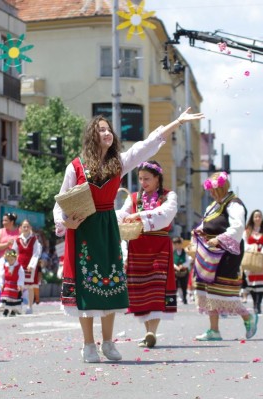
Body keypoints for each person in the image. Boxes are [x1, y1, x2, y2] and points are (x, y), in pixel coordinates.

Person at [53, 108, 204, 362]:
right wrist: (65, 222)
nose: (107, 132)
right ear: (92, 135)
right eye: (101, 129)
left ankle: (108, 343)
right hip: (82, 231)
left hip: (107, 227)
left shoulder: (119, 163)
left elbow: (147, 146)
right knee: (84, 287)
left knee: (110, 284)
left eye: (109, 129)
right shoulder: (76, 166)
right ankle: (88, 344)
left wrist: (177, 122)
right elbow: (60, 202)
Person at [117, 160, 178, 348]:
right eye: (141, 179)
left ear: (157, 178)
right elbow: (121, 214)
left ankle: (152, 331)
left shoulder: (169, 196)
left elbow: (166, 213)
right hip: (138, 245)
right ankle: (147, 332)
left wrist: (139, 216)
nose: (143, 182)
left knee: (157, 285)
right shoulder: (134, 197)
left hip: (159, 245)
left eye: (147, 179)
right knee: (142, 288)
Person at [193, 171, 257, 341]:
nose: (212, 193)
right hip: (210, 252)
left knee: (223, 291)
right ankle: (214, 330)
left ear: (223, 188)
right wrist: (200, 230)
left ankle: (247, 316)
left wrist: (219, 239)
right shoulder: (213, 206)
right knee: (208, 289)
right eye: (211, 190)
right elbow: (207, 223)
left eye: (215, 190)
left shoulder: (234, 204)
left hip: (227, 253)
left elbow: (237, 227)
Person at [242, 210, 263, 314]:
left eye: (259, 216)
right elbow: (244, 244)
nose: (257, 218)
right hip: (250, 258)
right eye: (255, 217)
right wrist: (251, 248)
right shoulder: (247, 231)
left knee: (262, 282)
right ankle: (255, 302)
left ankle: (258, 304)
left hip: (262, 260)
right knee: (251, 282)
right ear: (252, 218)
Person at [14, 220, 42, 314]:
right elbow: (14, 252)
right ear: (21, 228)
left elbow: (36, 253)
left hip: (30, 265)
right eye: (24, 227)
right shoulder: (17, 240)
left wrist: (32, 265)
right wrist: (14, 263)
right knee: (20, 285)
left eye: (27, 226)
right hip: (20, 264)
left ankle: (29, 306)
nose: (26, 228)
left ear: (30, 228)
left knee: (30, 286)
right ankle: (18, 305)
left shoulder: (34, 239)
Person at [0, 212, 20, 304]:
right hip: (3, 259)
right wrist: (7, 244)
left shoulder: (18, 231)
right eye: (3, 220)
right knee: (0, 277)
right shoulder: (0, 231)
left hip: (15, 260)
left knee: (14, 278)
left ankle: (15, 296)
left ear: (12, 222)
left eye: (6, 220)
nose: (3, 222)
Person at [0, 249, 24, 316]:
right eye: (8, 260)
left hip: (15, 286)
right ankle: (6, 310)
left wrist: (20, 284)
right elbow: (2, 275)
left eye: (11, 260)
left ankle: (13, 310)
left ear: (15, 258)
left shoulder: (18, 267)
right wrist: (1, 283)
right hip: (7, 285)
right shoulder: (5, 266)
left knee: (14, 299)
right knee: (6, 297)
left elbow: (21, 276)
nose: (10, 261)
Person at [173, 237, 192, 305]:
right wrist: (175, 266)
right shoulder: (173, 252)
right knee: (175, 286)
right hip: (175, 272)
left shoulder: (185, 252)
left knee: (184, 286)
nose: (176, 246)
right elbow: (171, 262)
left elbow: (189, 260)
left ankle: (184, 299)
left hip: (184, 272)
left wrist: (183, 265)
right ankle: (173, 300)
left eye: (178, 244)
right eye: (175, 244)